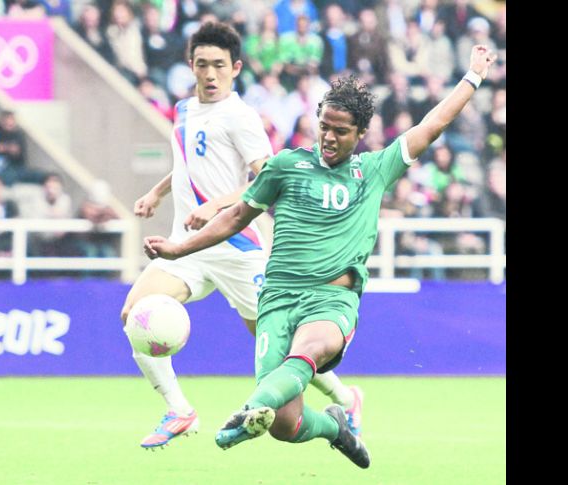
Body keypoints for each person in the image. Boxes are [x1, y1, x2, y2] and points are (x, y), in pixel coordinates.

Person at [144, 45, 497, 468]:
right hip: (277, 300)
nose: (329, 137)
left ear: (360, 132)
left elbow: (433, 124)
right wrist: (179, 249)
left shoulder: (375, 170)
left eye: (341, 130)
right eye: (324, 126)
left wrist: (472, 76)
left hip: (332, 301)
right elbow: (237, 216)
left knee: (309, 350)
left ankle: (244, 412)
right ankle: (335, 426)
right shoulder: (285, 166)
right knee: (283, 424)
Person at [122, 21, 362, 451]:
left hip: (237, 249)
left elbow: (266, 179)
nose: (209, 74)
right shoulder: (182, 110)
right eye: (201, 65)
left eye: (218, 65)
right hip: (188, 247)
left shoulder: (241, 117)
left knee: (286, 349)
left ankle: (347, 399)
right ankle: (179, 411)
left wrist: (216, 204)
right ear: (190, 65)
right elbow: (189, 162)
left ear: (235, 68)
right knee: (133, 315)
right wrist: (156, 192)